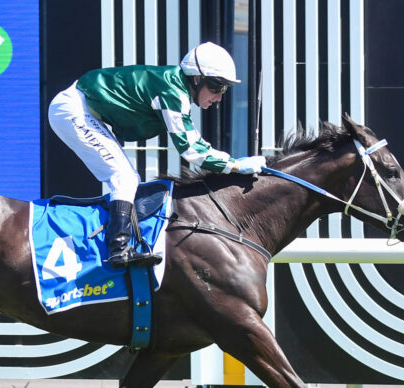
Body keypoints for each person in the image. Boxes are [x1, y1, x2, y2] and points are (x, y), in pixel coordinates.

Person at [48, 41, 266, 269]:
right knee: (125, 178)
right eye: (216, 86)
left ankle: (121, 243)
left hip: (83, 108)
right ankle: (118, 249)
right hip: (73, 110)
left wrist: (232, 163)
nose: (219, 97)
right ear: (196, 78)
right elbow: (193, 151)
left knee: (128, 177)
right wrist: (235, 165)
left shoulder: (175, 87)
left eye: (224, 89)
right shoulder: (173, 91)